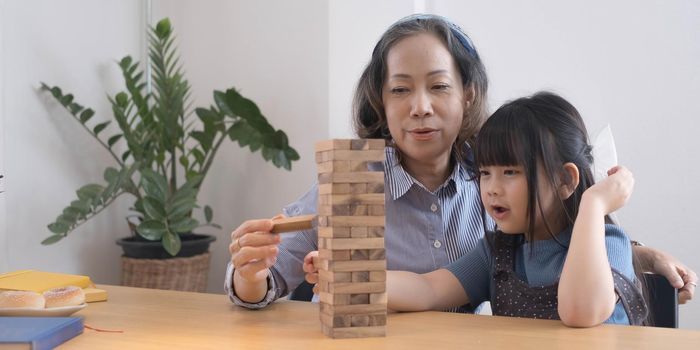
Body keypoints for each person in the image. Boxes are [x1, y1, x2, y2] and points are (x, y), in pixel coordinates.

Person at [226, 14, 696, 310]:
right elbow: (268, 279)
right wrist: (250, 275)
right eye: (400, 89)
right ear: (380, 103)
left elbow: (561, 230)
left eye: (439, 86)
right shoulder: (352, 179)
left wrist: (639, 253)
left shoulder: (492, 168)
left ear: (467, 94)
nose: (421, 107)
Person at [384, 92, 646, 326]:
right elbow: (428, 289)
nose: (492, 188)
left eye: (510, 172)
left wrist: (593, 203)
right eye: (485, 173)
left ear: (565, 181)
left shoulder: (609, 244)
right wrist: (350, 283)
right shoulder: (497, 252)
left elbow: (579, 312)